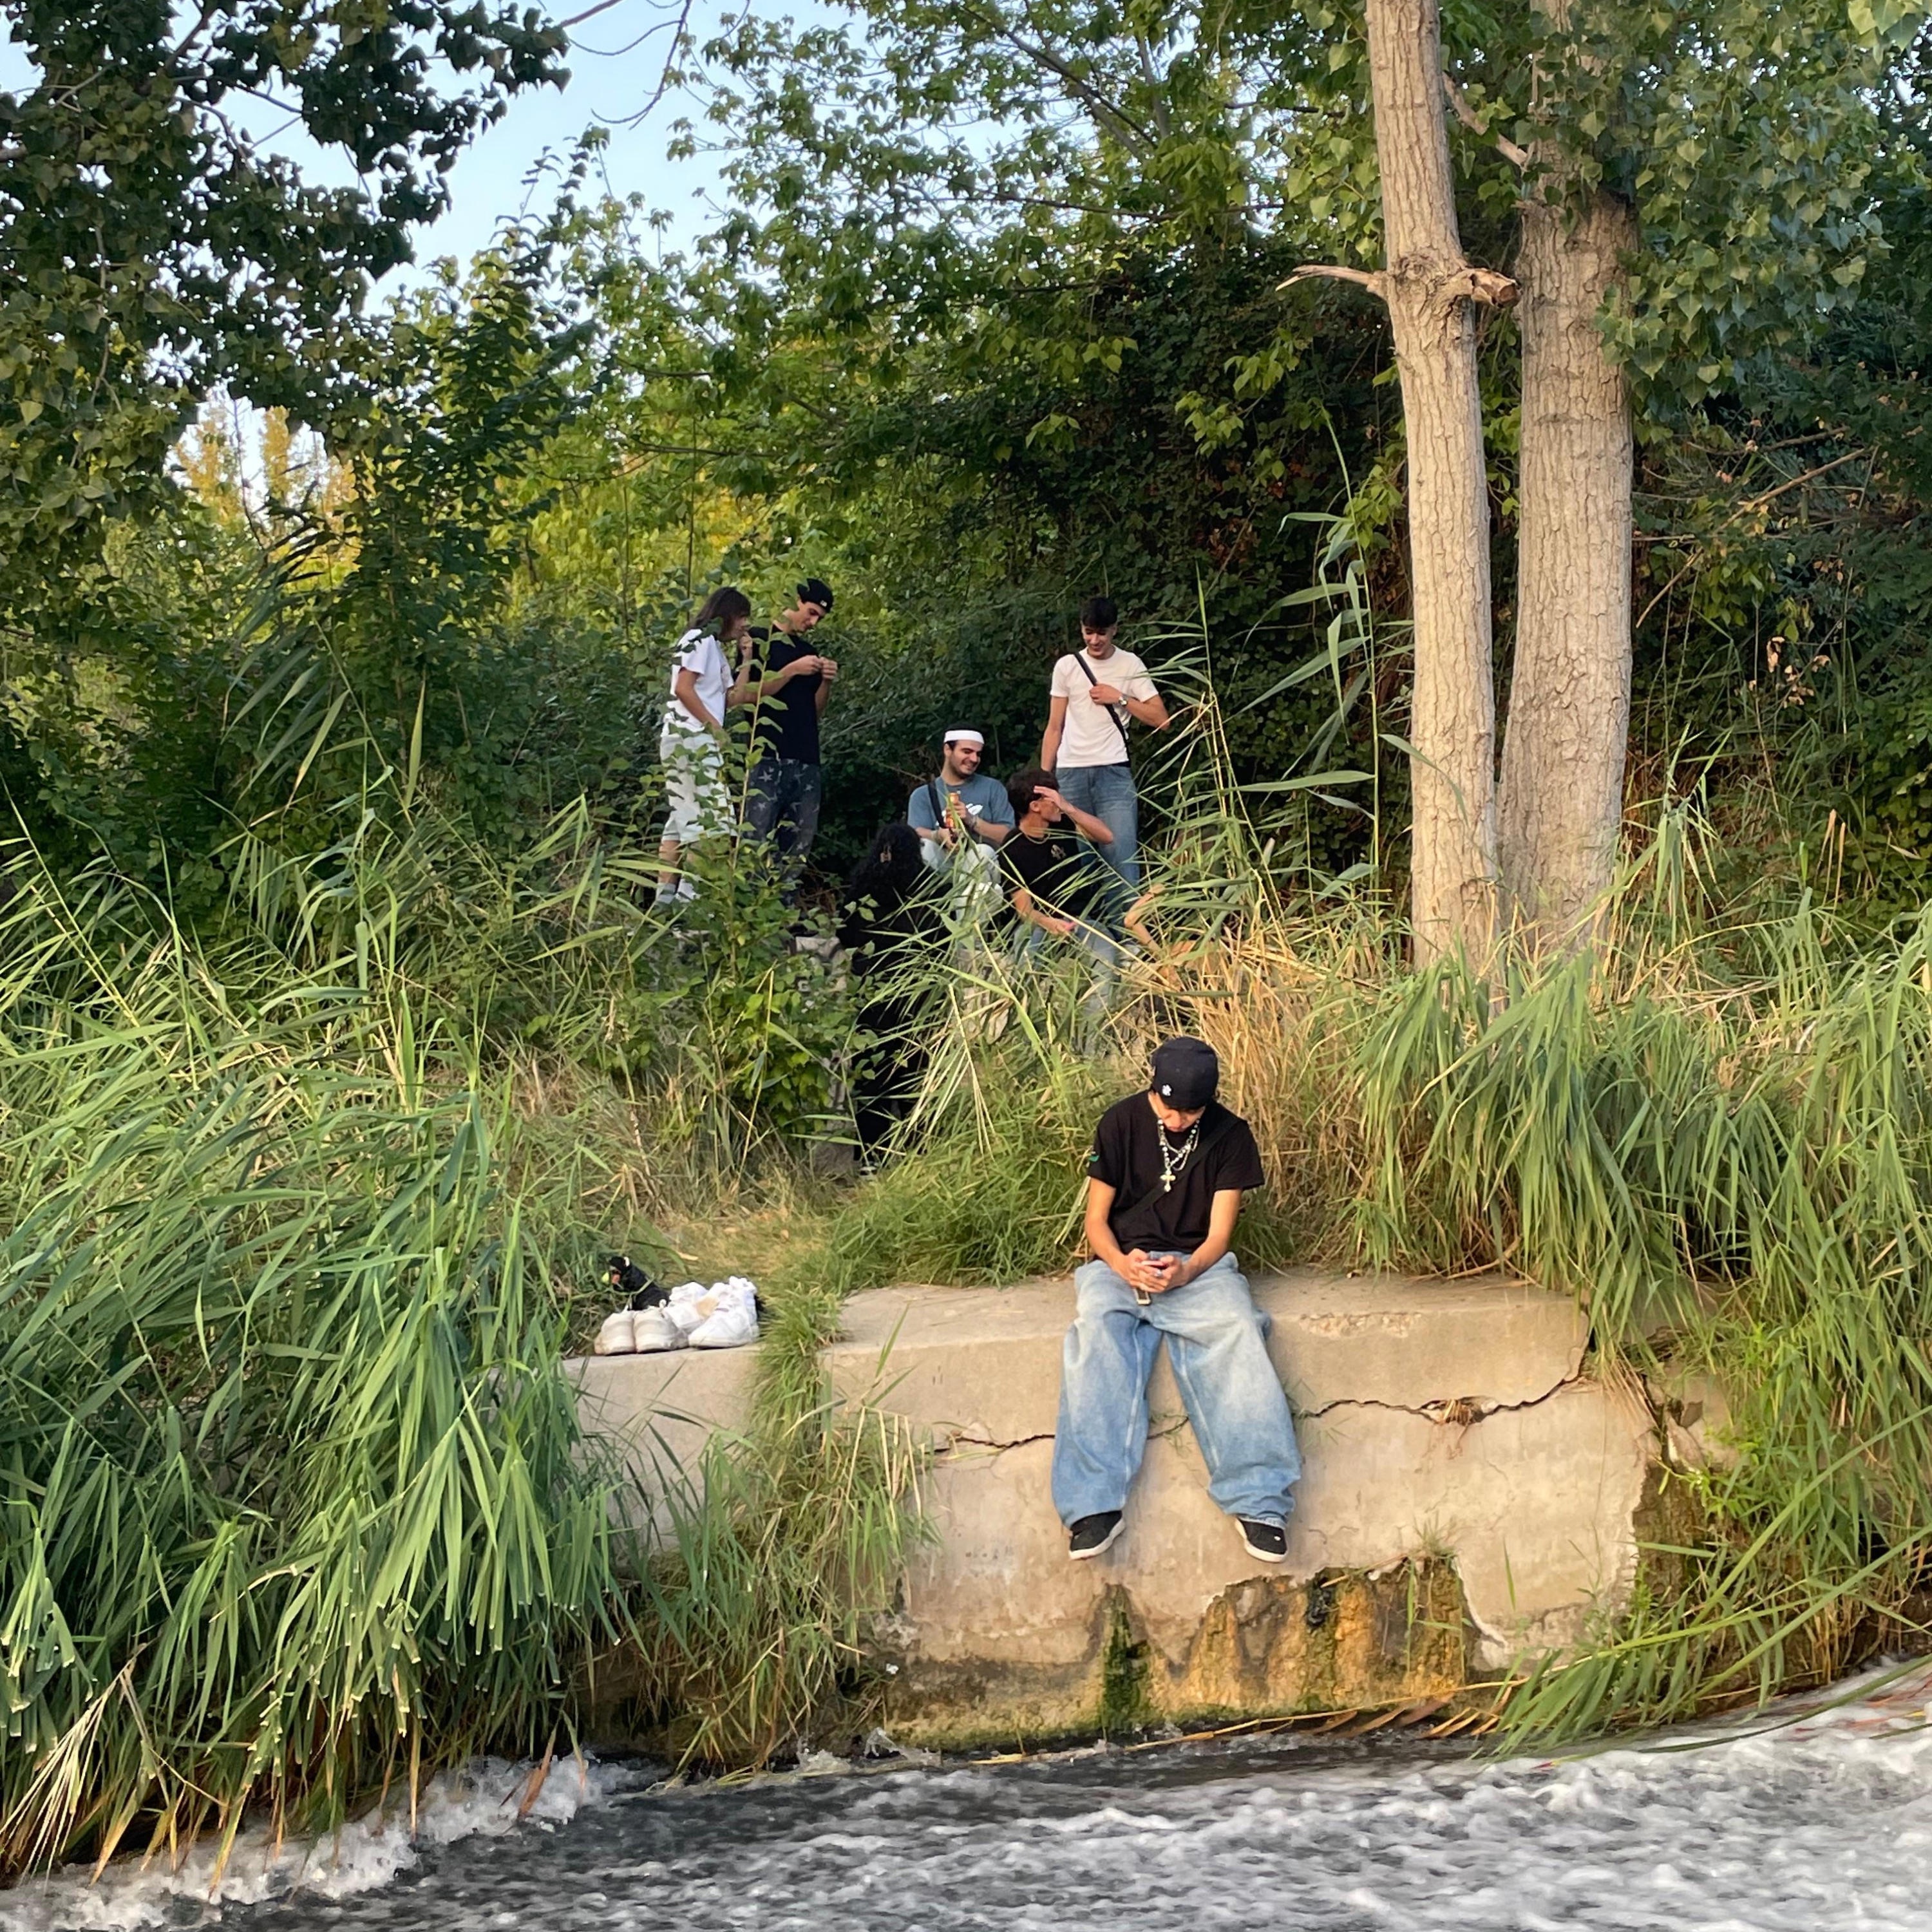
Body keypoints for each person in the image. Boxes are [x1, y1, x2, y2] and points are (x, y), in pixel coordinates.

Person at [1052, 1036, 1300, 1564]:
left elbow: (1218, 1237)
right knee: (1096, 1332)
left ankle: (1260, 1501)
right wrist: (1121, 1264)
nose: (1178, 1120)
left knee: (1238, 1327)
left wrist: (1186, 1271)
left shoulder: (1231, 1135)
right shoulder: (1120, 1122)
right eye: (1168, 1109)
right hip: (1121, 1262)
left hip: (1198, 1268)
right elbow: (1096, 1222)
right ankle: (1092, 1506)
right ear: (1153, 1088)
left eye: (1191, 1112)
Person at [1038, 594, 1169, 906]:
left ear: (1114, 630)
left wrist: (1120, 698)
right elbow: (1054, 727)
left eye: (1101, 633)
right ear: (1081, 629)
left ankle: (1127, 930)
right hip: (1070, 773)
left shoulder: (1130, 664)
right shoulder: (1067, 666)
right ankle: (1086, 930)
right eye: (1088, 632)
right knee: (1078, 862)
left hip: (1113, 772)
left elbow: (1162, 720)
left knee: (1121, 856)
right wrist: (1043, 779)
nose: (1095, 640)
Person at [839, 822, 945, 1161]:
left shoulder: (862, 887)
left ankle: (872, 1154)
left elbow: (845, 933)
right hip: (918, 994)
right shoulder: (932, 887)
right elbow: (943, 941)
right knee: (917, 1072)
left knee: (871, 1074)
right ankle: (919, 1149)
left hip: (872, 991)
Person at [656, 586, 754, 905]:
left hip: (693, 740)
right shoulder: (699, 640)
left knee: (681, 820)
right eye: (742, 616)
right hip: (691, 739)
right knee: (714, 823)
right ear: (726, 614)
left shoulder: (715, 649)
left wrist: (747, 659)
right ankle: (689, 903)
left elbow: (734, 698)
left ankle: (664, 902)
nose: (745, 624)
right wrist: (715, 728)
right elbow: (684, 689)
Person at [742, 577, 838, 877]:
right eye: (811, 613)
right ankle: (747, 904)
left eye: (820, 618)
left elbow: (814, 712)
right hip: (766, 756)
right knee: (754, 841)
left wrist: (826, 681)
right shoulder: (758, 640)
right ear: (796, 600)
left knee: (797, 849)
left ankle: (785, 903)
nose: (813, 622)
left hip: (806, 759)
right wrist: (791, 670)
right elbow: (745, 696)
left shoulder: (809, 650)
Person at [907, 728, 1015, 867]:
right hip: (940, 868)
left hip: (981, 869)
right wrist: (938, 835)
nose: (974, 759)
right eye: (967, 752)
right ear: (948, 750)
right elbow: (913, 835)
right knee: (924, 847)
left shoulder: (993, 788)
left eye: (978, 754)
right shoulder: (923, 795)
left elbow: (1009, 837)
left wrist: (973, 820)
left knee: (984, 852)